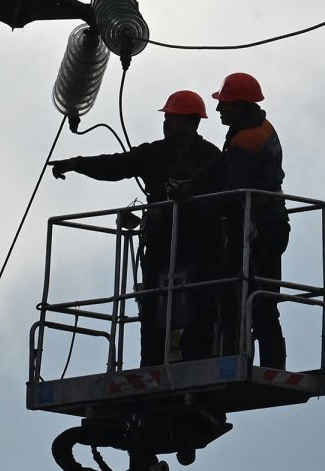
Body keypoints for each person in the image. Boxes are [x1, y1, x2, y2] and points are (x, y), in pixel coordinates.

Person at [50, 90, 221, 365]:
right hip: (160, 240)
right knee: (153, 303)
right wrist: (77, 164)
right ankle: (151, 364)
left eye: (171, 118)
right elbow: (116, 165)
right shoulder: (154, 154)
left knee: (200, 301)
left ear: (191, 122)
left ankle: (197, 359)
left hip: (199, 242)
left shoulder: (210, 158)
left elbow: (223, 195)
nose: (166, 123)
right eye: (166, 118)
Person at [208, 72, 289, 369]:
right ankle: (272, 364)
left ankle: (232, 358)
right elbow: (222, 166)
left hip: (256, 230)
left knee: (235, 295)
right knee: (263, 299)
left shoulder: (246, 140)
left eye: (224, 104)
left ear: (240, 106)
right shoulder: (261, 129)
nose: (218, 109)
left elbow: (234, 191)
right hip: (271, 224)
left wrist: (202, 206)